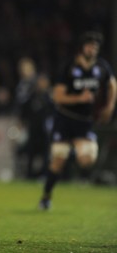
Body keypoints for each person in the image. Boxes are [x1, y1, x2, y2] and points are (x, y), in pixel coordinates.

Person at [38, 31, 117, 210]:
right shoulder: (70, 67)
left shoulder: (102, 67)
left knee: (87, 160)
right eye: (89, 45)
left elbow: (112, 84)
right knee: (57, 161)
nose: (92, 49)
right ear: (82, 47)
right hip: (65, 119)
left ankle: (71, 152)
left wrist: (109, 107)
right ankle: (46, 196)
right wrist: (79, 99)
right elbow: (57, 96)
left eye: (95, 46)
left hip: (85, 121)